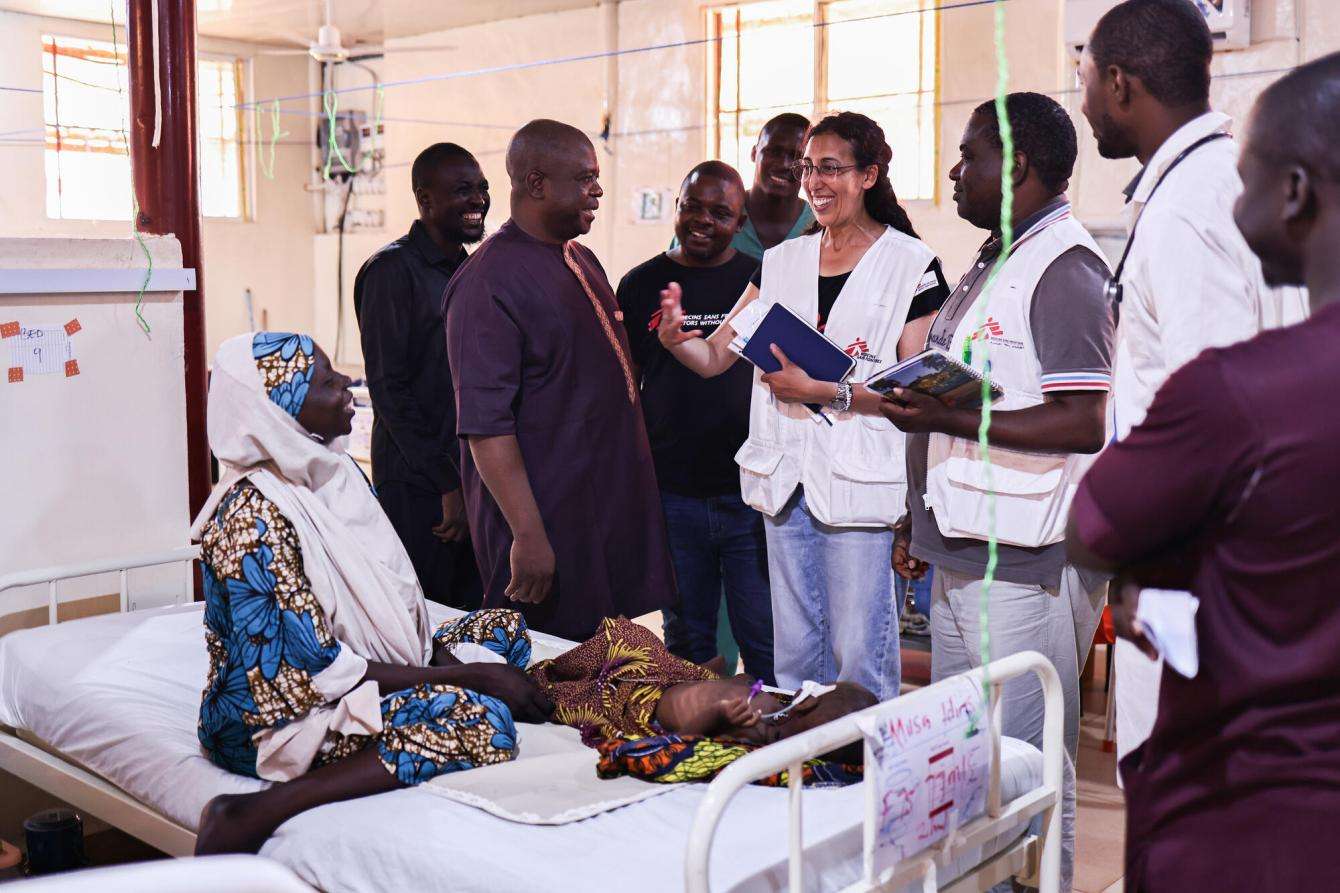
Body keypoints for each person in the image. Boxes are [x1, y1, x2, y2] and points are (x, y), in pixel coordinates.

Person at [1066, 53, 1340, 891]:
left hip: (1249, 804)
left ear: (1294, 194)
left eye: (1247, 182)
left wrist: (1139, 578)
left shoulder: (1241, 390)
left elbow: (1096, 524)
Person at [189, 331, 552, 856]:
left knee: (505, 628)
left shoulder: (331, 473)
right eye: (324, 381)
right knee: (482, 719)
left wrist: (448, 662)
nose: (344, 383)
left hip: (347, 672)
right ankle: (256, 811)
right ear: (280, 411)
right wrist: (470, 678)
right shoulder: (252, 521)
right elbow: (314, 675)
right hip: (272, 722)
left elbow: (391, 598)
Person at [880, 92, 1115, 891]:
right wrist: (916, 515)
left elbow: (1083, 419)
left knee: (1026, 769)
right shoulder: (996, 258)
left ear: (1017, 168)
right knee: (968, 765)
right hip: (963, 546)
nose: (955, 171)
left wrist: (947, 413)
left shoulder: (1066, 268)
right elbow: (981, 391)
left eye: (969, 155)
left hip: (1023, 563)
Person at [1078, 0, 1309, 763]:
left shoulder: (1185, 208)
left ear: (1119, 83)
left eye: (1084, 80)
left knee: (1177, 782)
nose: (1083, 103)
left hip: (1199, 571)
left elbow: (1212, 413)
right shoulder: (1223, 181)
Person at [658, 111, 950, 701]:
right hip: (785, 481)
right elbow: (715, 358)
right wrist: (676, 340)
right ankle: (800, 756)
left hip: (860, 486)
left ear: (869, 175)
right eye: (808, 169)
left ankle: (860, 756)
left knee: (859, 655)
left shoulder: (911, 264)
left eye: (831, 169)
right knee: (793, 653)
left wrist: (824, 391)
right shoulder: (782, 260)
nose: (814, 182)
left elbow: (917, 393)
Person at [443, 119, 676, 642]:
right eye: (586, 178)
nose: (597, 191)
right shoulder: (487, 282)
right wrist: (527, 535)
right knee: (552, 665)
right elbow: (485, 427)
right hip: (548, 518)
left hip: (599, 507)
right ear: (536, 184)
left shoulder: (579, 257)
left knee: (603, 659)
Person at [616, 161, 773, 683]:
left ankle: (770, 730)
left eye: (720, 213)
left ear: (740, 221)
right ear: (677, 207)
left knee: (765, 637)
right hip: (674, 493)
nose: (703, 220)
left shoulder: (760, 279)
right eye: (693, 207)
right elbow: (627, 386)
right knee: (686, 642)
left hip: (749, 493)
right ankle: (696, 731)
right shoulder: (641, 283)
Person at [354, 143, 488, 609]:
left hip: (469, 475)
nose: (478, 200)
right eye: (463, 190)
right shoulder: (392, 271)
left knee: (472, 616)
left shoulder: (470, 270)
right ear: (425, 199)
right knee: (425, 614)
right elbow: (389, 389)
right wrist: (446, 482)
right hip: (419, 483)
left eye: (482, 188)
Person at [671, 113, 815, 260]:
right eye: (774, 152)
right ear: (754, 153)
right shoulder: (708, 215)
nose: (784, 164)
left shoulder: (819, 224)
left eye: (798, 157)